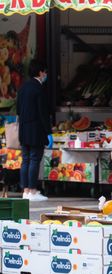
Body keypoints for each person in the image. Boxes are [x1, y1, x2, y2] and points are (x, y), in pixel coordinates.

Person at [16, 59, 51, 201]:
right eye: (45, 72)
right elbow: (43, 113)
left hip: (23, 129)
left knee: (25, 160)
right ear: (40, 72)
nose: (45, 75)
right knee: (35, 159)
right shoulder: (39, 88)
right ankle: (33, 191)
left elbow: (18, 109)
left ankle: (25, 190)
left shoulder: (23, 87)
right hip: (36, 129)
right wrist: (48, 132)